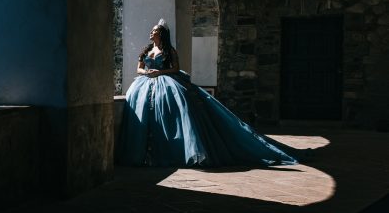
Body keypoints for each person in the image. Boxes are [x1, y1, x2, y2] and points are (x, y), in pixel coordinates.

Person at [117, 19, 298, 167]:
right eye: (151, 30)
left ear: (161, 34)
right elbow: (139, 68)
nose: (151, 32)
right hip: (146, 83)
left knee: (177, 108)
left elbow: (176, 68)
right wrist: (147, 73)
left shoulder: (169, 51)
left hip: (165, 80)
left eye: (154, 30)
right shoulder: (147, 50)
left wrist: (159, 73)